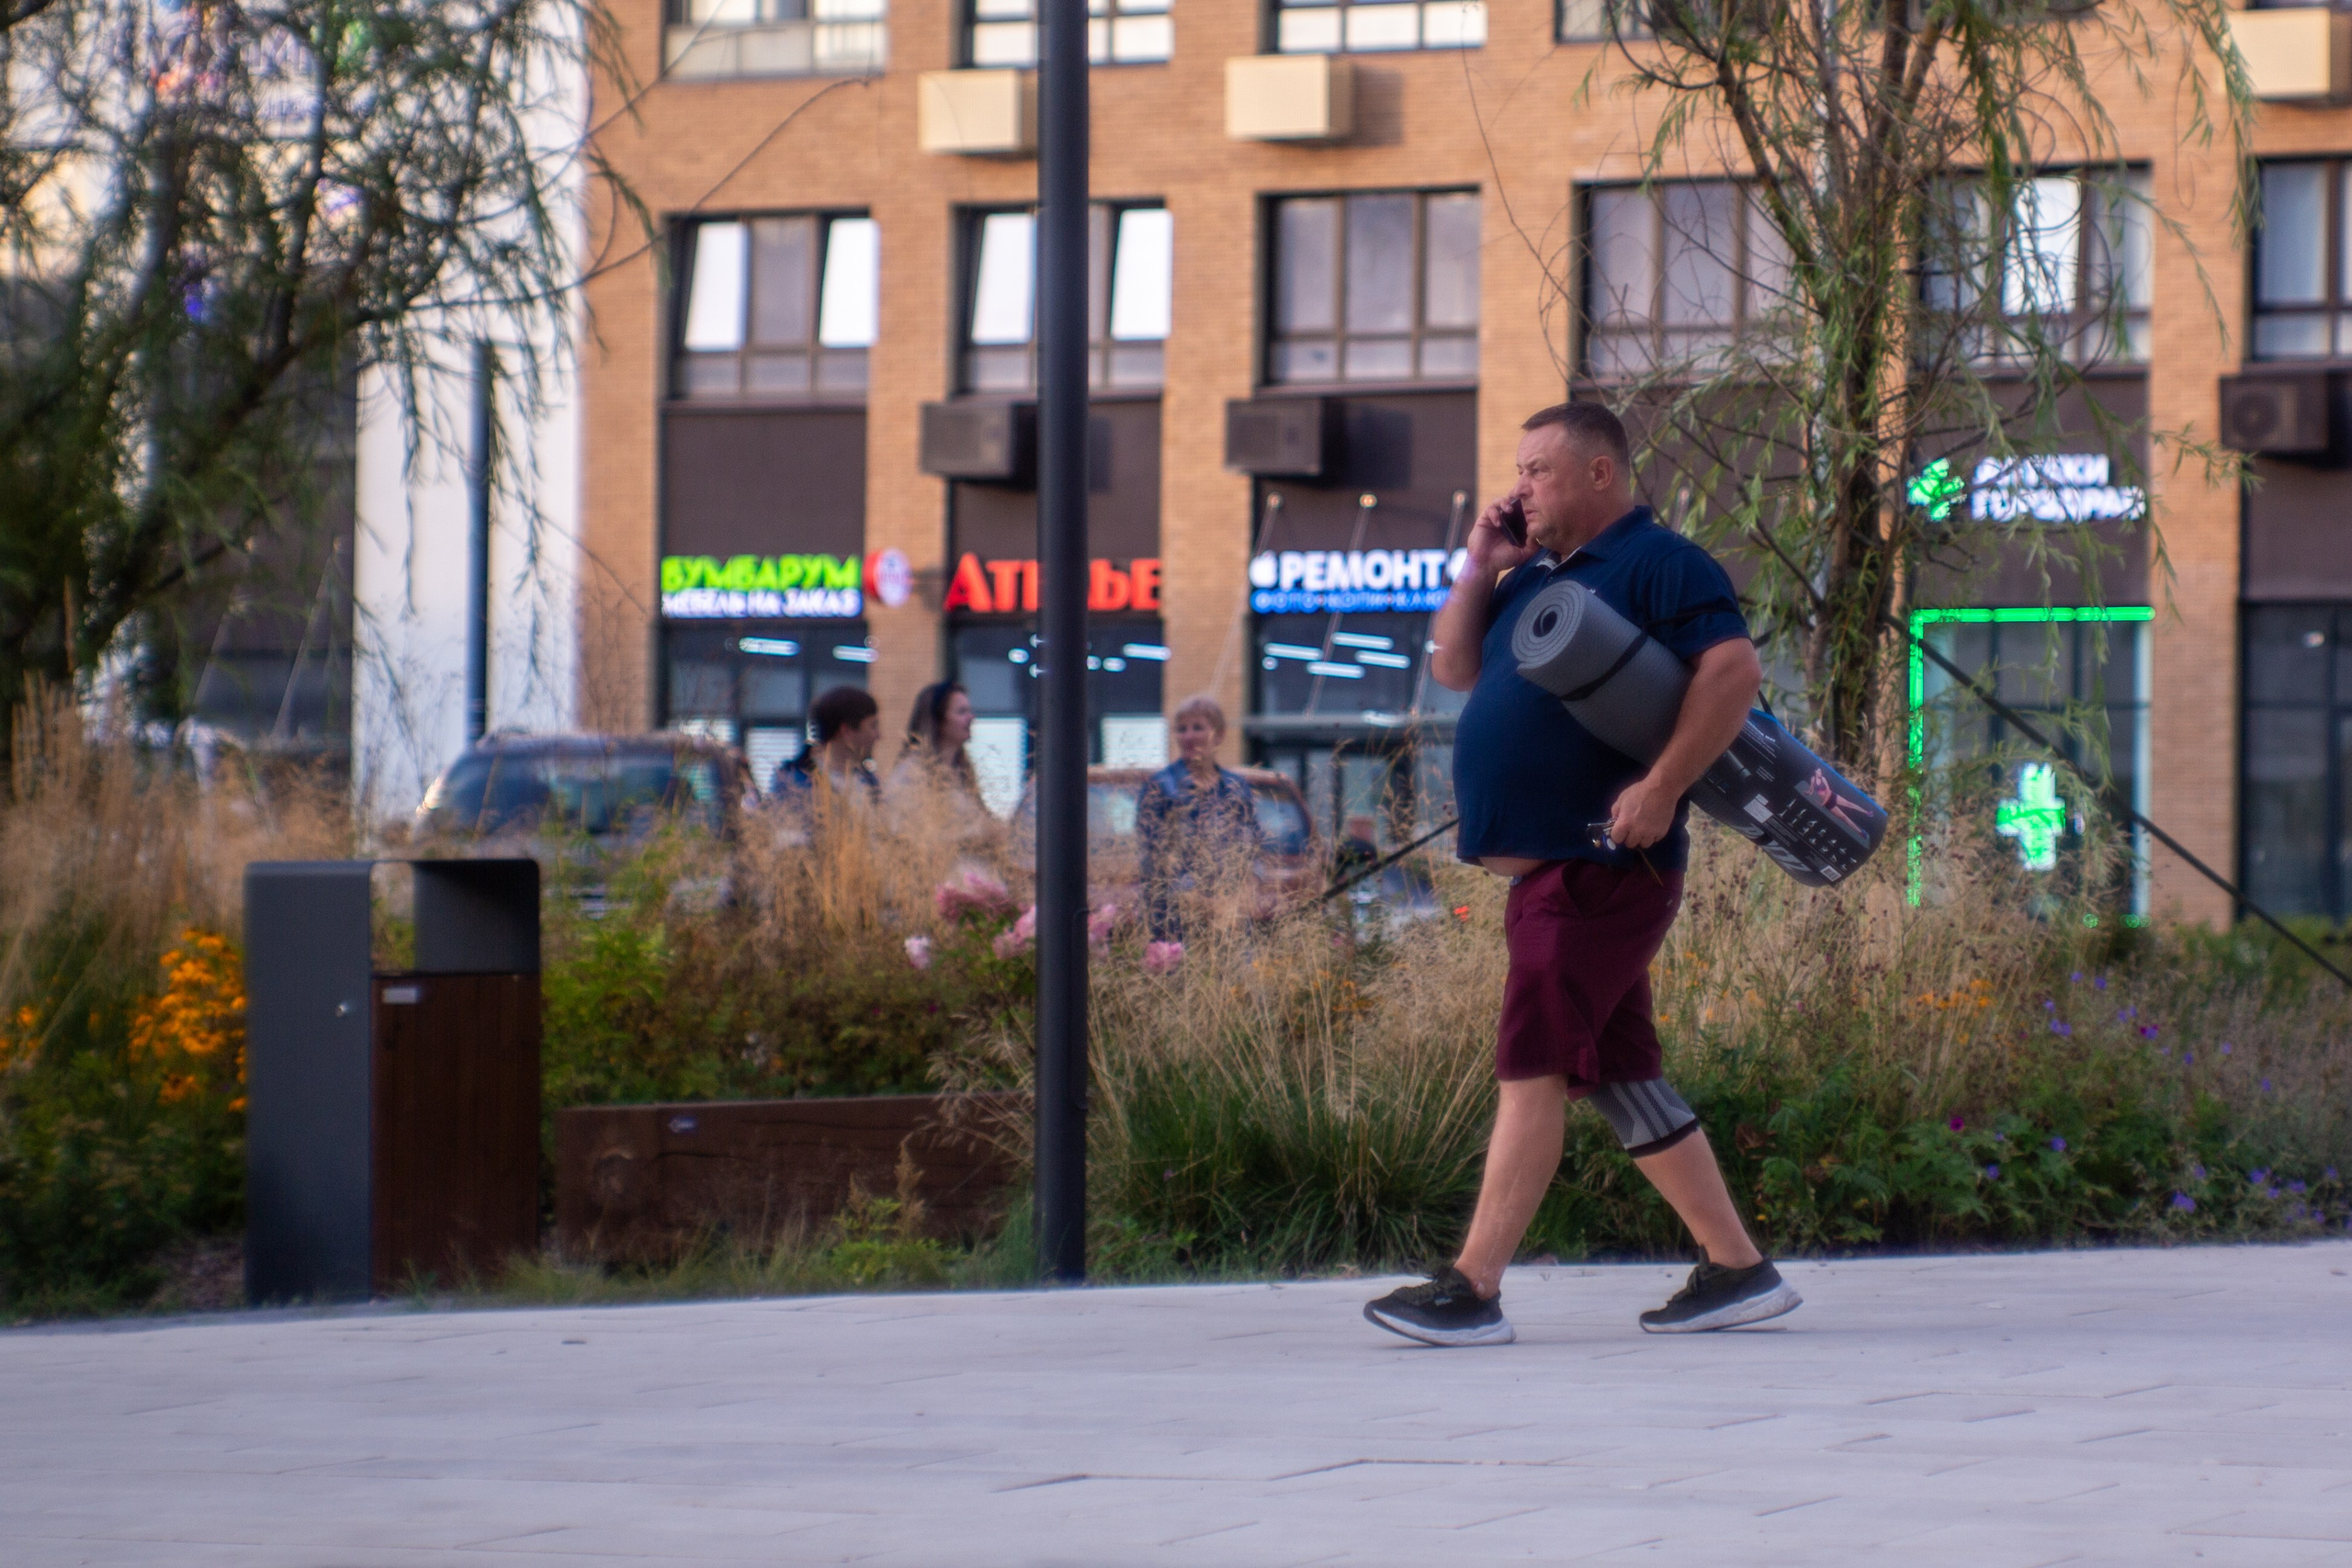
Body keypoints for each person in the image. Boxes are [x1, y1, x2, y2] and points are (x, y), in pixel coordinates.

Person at [1362, 401, 1800, 1348]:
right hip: (1555, 874)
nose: (1519, 489)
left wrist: (1660, 786)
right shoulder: (1534, 577)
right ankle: (1737, 1270)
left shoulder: (1660, 564)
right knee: (1621, 1076)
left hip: (1602, 860)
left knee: (1535, 1066)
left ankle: (1472, 1290)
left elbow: (1731, 672)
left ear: (1600, 474)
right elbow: (1450, 665)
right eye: (1517, 472)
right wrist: (1481, 564)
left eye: (1537, 472)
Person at [1136, 694, 1261, 942]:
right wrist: (1197, 900)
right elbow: (1153, 860)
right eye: (1182, 729)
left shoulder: (1237, 788)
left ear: (1219, 734)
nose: (1189, 736)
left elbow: (1251, 850)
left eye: (1198, 727)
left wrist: (1241, 897)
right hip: (1173, 920)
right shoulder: (1160, 787)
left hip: (1229, 918)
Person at [773, 685, 883, 803]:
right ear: (846, 731)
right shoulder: (794, 786)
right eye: (873, 726)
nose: (879, 736)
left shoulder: (870, 783)